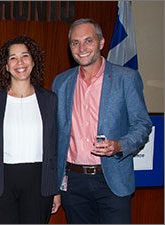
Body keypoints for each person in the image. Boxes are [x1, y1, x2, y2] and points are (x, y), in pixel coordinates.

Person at [52, 18, 152, 224]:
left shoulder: (126, 78)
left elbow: (142, 124)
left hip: (112, 180)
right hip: (74, 182)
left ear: (101, 42)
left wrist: (119, 145)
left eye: (88, 41)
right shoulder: (61, 82)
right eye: (75, 42)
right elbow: (53, 130)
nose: (81, 48)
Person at [0, 36, 60, 223]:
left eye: (25, 56)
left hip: (39, 182)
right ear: (6, 66)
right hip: (0, 181)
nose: (20, 62)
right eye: (13, 58)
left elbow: (55, 146)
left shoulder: (50, 99)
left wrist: (55, 189)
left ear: (33, 61)